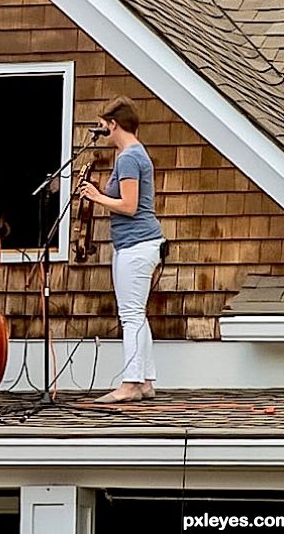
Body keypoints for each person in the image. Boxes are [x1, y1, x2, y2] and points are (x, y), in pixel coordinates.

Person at [79, 96, 165, 404]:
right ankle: (146, 382)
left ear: (113, 124)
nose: (102, 131)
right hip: (139, 243)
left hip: (136, 244)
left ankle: (130, 383)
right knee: (137, 315)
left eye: (103, 125)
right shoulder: (135, 155)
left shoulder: (128, 157)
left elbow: (129, 206)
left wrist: (95, 195)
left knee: (130, 315)